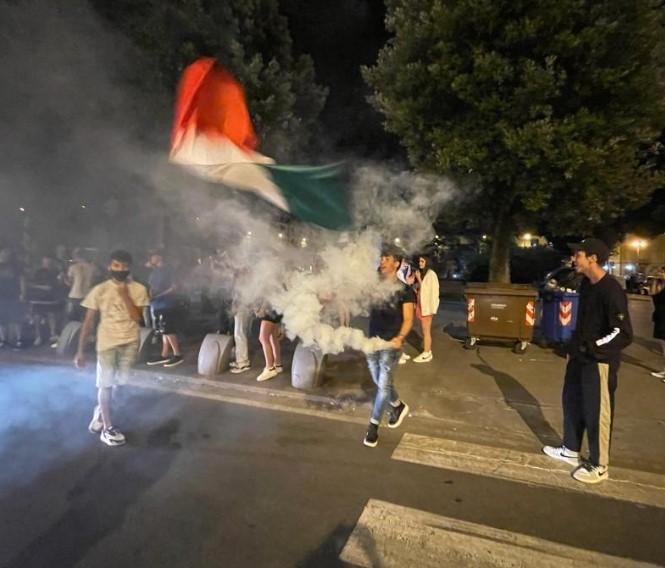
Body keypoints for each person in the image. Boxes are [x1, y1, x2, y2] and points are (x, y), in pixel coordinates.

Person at [543, 238, 633, 484]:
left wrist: (594, 347)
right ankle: (570, 449)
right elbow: (583, 323)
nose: (574, 259)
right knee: (572, 402)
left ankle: (599, 464)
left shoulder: (611, 289)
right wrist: (574, 349)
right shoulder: (587, 284)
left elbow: (623, 332)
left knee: (596, 412)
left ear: (592, 258)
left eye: (578, 255)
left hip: (599, 361)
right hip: (579, 357)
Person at [75, 250, 149, 447]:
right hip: (107, 343)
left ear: (129, 268)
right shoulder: (99, 290)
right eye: (116, 266)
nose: (120, 270)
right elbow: (88, 321)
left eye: (124, 266)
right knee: (105, 384)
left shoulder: (139, 289)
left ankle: (100, 410)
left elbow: (136, 317)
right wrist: (80, 350)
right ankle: (107, 428)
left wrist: (125, 295)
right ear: (109, 266)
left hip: (130, 342)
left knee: (120, 384)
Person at [363, 246, 415, 448]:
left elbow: (409, 319)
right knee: (379, 382)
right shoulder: (375, 286)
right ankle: (398, 405)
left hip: (391, 343)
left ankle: (373, 427)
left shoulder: (404, 290)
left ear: (397, 263)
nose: (382, 261)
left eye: (386, 258)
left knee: (383, 385)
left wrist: (400, 337)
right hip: (372, 341)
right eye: (381, 258)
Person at [145, 252, 184, 368]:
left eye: (153, 255)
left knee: (168, 329)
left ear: (159, 257)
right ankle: (164, 354)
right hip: (156, 304)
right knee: (163, 330)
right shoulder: (155, 271)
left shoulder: (168, 270)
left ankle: (177, 354)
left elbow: (175, 287)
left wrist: (158, 295)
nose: (151, 258)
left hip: (166, 303)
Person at [27, 256, 62, 347]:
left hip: (51, 298)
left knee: (52, 316)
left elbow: (54, 285)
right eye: (45, 261)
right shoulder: (37, 272)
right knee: (37, 317)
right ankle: (38, 337)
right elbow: (30, 283)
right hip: (38, 298)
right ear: (42, 262)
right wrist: (40, 287)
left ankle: (53, 335)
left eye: (49, 261)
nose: (47, 263)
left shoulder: (55, 272)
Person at [412, 254, 440, 363]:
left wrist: (419, 279)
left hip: (426, 307)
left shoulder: (431, 274)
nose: (420, 263)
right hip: (421, 306)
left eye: (422, 261)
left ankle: (427, 353)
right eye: (419, 261)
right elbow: (420, 289)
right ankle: (427, 351)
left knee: (426, 331)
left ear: (427, 262)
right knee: (424, 330)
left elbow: (429, 291)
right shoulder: (425, 274)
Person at [0, 247, 26, 349]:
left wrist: (23, 293)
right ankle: (3, 340)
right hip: (1, 296)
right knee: (1, 320)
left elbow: (22, 280)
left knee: (15, 318)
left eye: (7, 253)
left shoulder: (16, 266)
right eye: (3, 252)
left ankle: (18, 340)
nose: (5, 254)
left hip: (14, 295)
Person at [64, 248, 98, 322]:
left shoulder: (72, 267)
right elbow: (94, 282)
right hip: (87, 296)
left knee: (72, 321)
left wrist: (64, 279)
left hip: (74, 297)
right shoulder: (92, 267)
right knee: (86, 320)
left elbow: (70, 284)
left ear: (76, 256)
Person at [255, 303, 283, 382]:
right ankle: (278, 365)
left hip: (269, 308)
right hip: (277, 306)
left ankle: (269, 368)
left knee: (263, 338)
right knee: (273, 337)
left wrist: (262, 307)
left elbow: (268, 292)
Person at [649, 270, 665, 379]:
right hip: (660, 319)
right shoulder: (660, 287)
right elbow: (653, 294)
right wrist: (655, 280)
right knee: (664, 348)